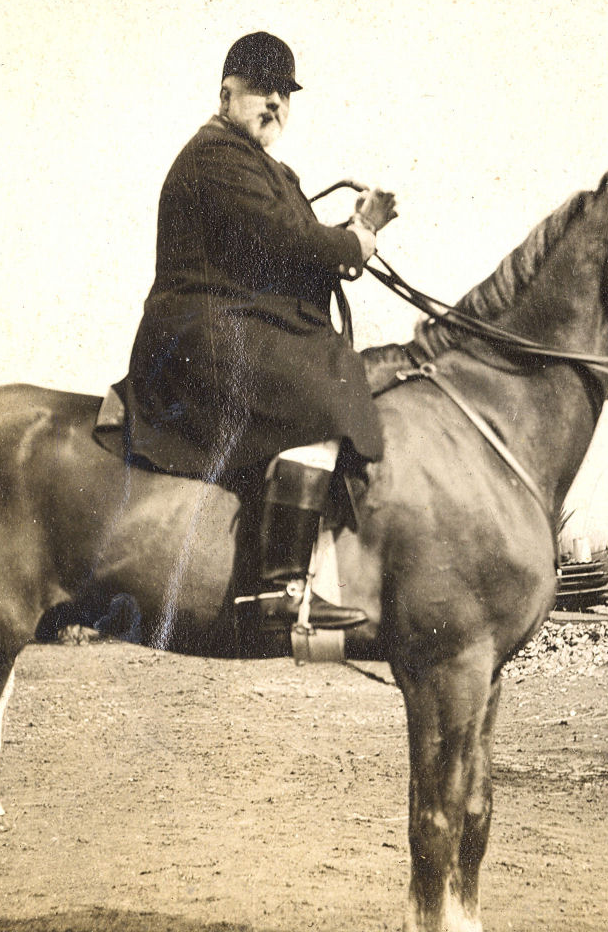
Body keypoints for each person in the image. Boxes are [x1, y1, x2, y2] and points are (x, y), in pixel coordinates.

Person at [114, 32, 397, 632]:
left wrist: (351, 232)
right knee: (328, 391)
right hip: (196, 339)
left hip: (228, 329)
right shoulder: (216, 157)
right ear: (226, 93)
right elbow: (288, 240)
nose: (274, 102)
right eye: (260, 90)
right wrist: (356, 244)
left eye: (284, 93)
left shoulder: (261, 165)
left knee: (332, 368)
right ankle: (282, 586)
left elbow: (288, 249)